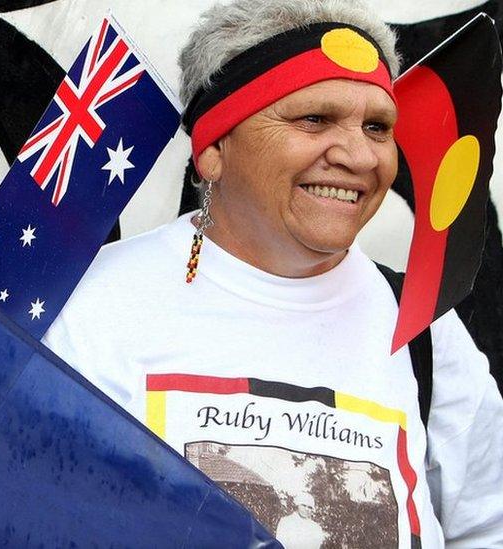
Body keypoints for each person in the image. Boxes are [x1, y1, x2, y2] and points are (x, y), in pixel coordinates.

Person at [42, 0, 503, 546]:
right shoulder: (87, 303)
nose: (360, 156)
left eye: (378, 126)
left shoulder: (423, 326)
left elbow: (487, 523)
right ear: (213, 148)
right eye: (315, 119)